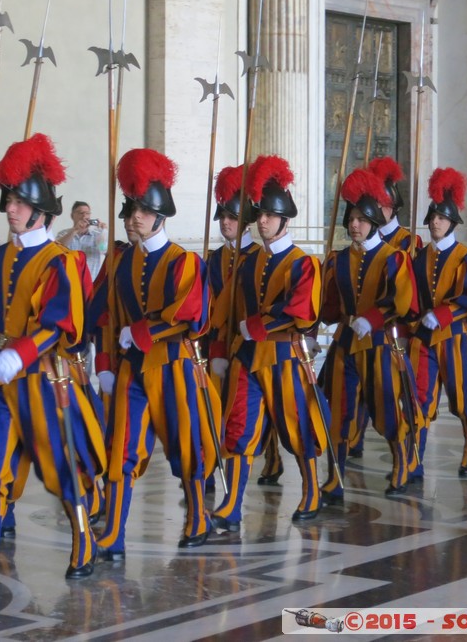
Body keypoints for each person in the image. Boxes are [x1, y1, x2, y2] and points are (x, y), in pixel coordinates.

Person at [0, 133, 105, 585]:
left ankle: (83, 539)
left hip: (41, 379)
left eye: (20, 202)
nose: (11, 209)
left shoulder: (61, 261)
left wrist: (20, 352)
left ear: (40, 210)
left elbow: (62, 320)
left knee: (60, 469)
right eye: (9, 200)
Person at [95, 147, 220, 559]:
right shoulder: (120, 262)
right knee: (121, 446)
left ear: (160, 214)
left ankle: (198, 516)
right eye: (131, 209)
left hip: (172, 366)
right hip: (131, 370)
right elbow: (106, 317)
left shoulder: (184, 261)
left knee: (184, 444)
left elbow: (191, 316)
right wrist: (106, 364)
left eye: (144, 210)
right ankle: (112, 531)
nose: (135, 217)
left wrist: (142, 332)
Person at [210, 155, 331, 522]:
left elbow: (302, 310)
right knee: (239, 427)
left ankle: (311, 492)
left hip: (284, 356)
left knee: (297, 426)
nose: (261, 221)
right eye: (258, 214)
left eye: (268, 215)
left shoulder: (302, 262)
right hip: (248, 357)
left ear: (284, 219)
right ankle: (232, 506)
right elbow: (227, 309)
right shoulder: (247, 262)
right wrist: (221, 344)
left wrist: (259, 326)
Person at [317, 169, 418, 501]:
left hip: (379, 344)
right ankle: (335, 476)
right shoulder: (339, 259)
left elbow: (402, 299)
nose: (354, 225)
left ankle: (403, 461)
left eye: (361, 219)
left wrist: (373, 318)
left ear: (374, 221)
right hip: (345, 343)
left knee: (385, 408)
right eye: (351, 218)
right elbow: (329, 305)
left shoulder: (394, 258)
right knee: (340, 410)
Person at [407, 168, 467, 478]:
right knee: (420, 400)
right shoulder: (418, 257)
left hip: (455, 337)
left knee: (465, 397)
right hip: (424, 338)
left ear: (452, 221)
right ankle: (415, 459)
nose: (436, 222)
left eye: (441, 218)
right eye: (433, 217)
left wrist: (442, 314)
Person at [205, 164, 260, 532]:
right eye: (222, 216)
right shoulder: (213, 258)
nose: (226, 223)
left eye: (231, 217)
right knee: (213, 415)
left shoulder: (257, 256)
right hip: (220, 350)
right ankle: (211, 475)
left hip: (255, 350)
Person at [56, 201, 107, 280]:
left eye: (87, 213)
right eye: (81, 213)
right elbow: (57, 249)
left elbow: (103, 250)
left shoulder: (97, 234)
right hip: (69, 282)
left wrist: (104, 232)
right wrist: (75, 230)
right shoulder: (63, 234)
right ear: (72, 216)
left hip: (91, 283)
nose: (84, 216)